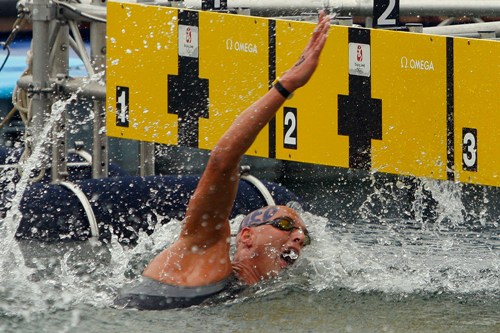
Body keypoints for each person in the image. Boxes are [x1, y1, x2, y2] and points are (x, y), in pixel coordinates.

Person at [114, 12, 330, 310]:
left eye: (303, 238)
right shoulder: (204, 253)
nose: (297, 237)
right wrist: (284, 87)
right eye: (285, 224)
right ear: (247, 236)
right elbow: (223, 161)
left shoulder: (251, 295)